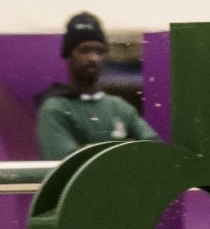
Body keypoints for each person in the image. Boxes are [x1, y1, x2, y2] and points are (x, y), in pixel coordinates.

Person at [36, 12, 158, 157]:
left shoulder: (119, 107)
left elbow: (154, 151)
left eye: (99, 51)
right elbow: (69, 164)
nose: (93, 58)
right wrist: (126, 150)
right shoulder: (55, 109)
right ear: (69, 55)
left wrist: (87, 149)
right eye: (84, 50)